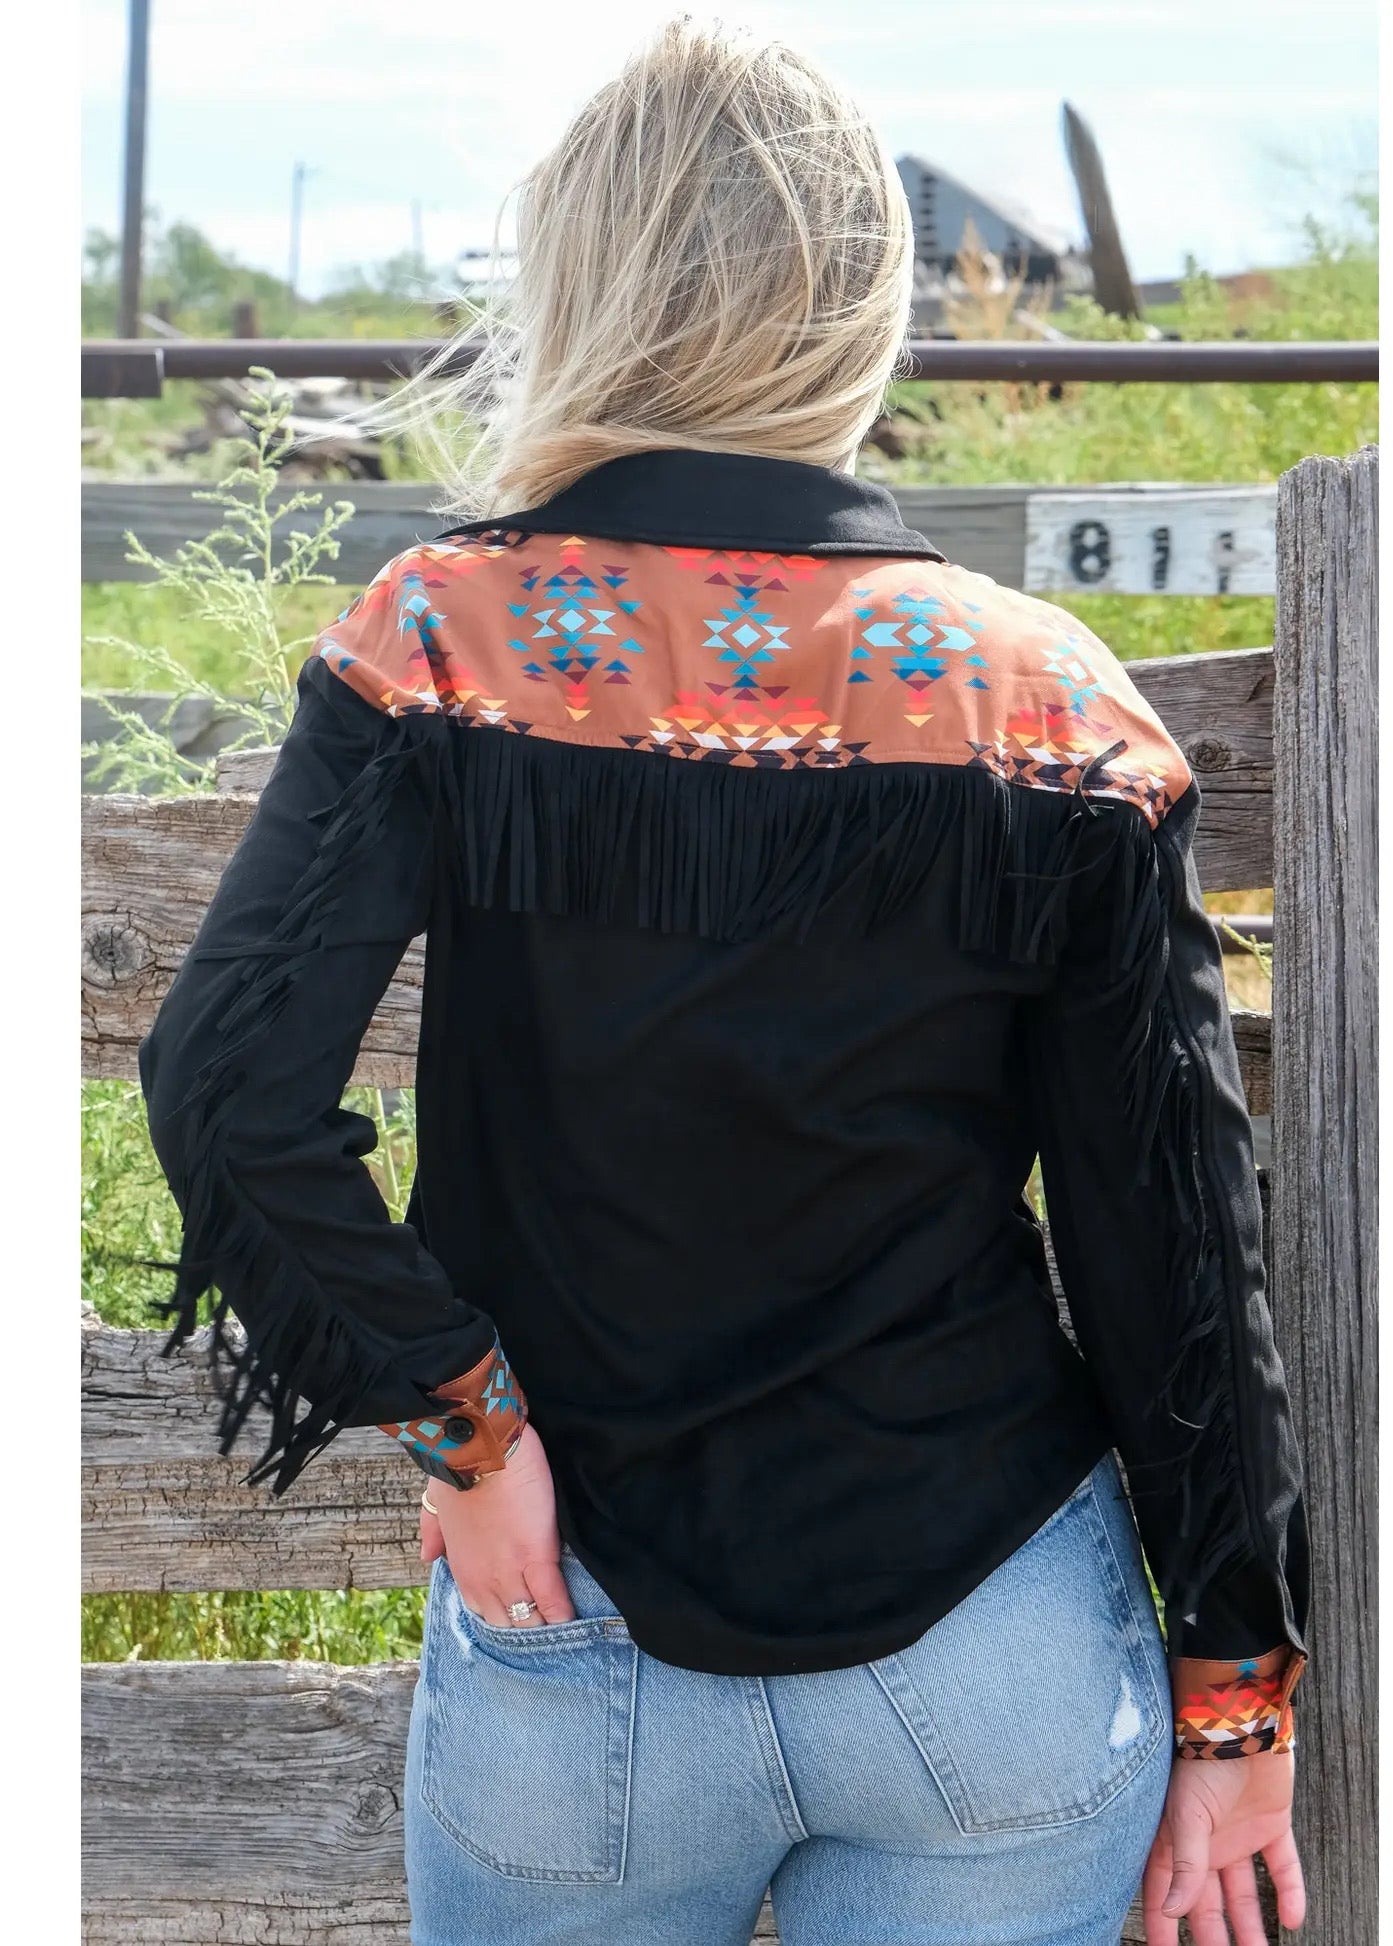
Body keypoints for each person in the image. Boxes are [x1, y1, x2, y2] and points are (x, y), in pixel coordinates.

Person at [139, 18, 1309, 1946]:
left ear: (579, 276)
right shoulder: (1050, 703)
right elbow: (1173, 1241)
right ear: (861, 298)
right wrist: (1237, 1696)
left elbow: (222, 1092)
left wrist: (467, 1428)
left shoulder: (445, 642)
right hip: (993, 1654)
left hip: (569, 1625)